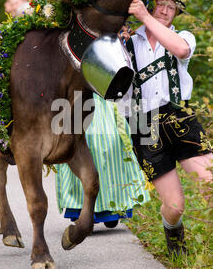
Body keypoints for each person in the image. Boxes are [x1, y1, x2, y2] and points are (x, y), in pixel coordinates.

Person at [123, 0, 213, 256]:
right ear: (150, 3)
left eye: (171, 7)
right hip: (142, 124)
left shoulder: (182, 36)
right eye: (160, 3)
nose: (165, 10)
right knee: (174, 206)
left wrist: (144, 17)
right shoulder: (125, 41)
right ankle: (173, 233)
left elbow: (180, 51)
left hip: (180, 116)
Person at [55, 93, 150, 228]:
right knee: (82, 147)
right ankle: (83, 210)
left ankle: (112, 209)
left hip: (105, 95)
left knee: (112, 146)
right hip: (78, 98)